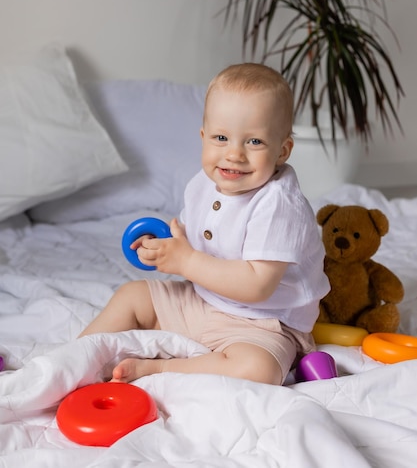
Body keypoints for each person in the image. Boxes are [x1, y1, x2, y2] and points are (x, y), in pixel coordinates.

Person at [79, 63, 329, 385]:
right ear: (203, 137)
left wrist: (187, 261)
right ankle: (71, 360)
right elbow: (189, 241)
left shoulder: (279, 204)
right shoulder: (202, 184)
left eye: (254, 142)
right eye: (221, 138)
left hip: (263, 324)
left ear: (283, 150)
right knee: (131, 296)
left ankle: (158, 369)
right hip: (201, 300)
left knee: (259, 370)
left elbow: (257, 285)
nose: (234, 154)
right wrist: (164, 249)